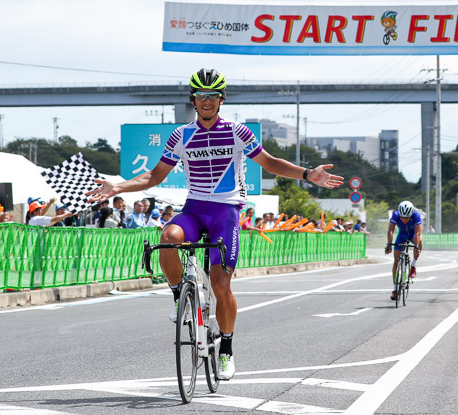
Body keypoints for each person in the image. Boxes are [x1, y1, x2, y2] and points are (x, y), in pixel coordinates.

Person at [87, 68, 343, 380]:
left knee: (221, 284)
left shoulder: (238, 132)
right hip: (195, 208)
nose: (206, 101)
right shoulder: (181, 135)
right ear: (192, 99)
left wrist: (306, 174)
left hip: (226, 213)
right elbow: (154, 176)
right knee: (168, 236)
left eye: (212, 95)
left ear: (221, 100)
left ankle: (227, 350)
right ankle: (179, 294)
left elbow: (271, 163)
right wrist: (118, 186)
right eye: (200, 95)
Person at [385, 200, 422, 301]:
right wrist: (389, 244)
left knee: (419, 240)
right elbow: (391, 230)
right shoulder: (395, 215)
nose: (404, 220)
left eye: (407, 218)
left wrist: (416, 247)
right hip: (402, 235)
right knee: (396, 261)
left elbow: (418, 233)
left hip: (413, 234)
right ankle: (395, 289)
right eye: (402, 217)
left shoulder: (416, 216)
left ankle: (413, 265)